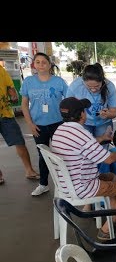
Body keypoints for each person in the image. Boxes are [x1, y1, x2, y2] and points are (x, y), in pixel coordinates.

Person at [51, 97, 116, 240]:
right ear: (82, 114)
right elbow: (109, 158)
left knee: (113, 177)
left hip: (67, 182)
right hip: (83, 186)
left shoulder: (61, 130)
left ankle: (113, 215)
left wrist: (101, 138)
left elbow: (82, 146)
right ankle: (106, 230)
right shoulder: (82, 134)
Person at [20, 52, 69, 196]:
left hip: (58, 124)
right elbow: (24, 105)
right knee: (43, 155)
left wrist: (68, 122)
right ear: (34, 64)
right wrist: (30, 124)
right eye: (37, 62)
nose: (41, 65)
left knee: (62, 154)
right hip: (38, 125)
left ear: (49, 65)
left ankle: (65, 184)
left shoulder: (59, 82)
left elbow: (69, 100)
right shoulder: (28, 81)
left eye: (44, 62)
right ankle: (43, 184)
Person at [0, 61, 40, 184]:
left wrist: (13, 95)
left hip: (5, 114)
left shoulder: (0, 70)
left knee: (19, 141)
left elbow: (10, 86)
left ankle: (29, 170)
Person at [66, 63, 116, 145]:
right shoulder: (75, 86)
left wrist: (108, 114)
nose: (93, 90)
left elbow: (114, 112)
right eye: (89, 86)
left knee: (102, 150)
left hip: (103, 123)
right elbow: (68, 108)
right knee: (85, 147)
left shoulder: (109, 86)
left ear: (102, 81)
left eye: (97, 86)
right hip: (83, 122)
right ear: (83, 81)